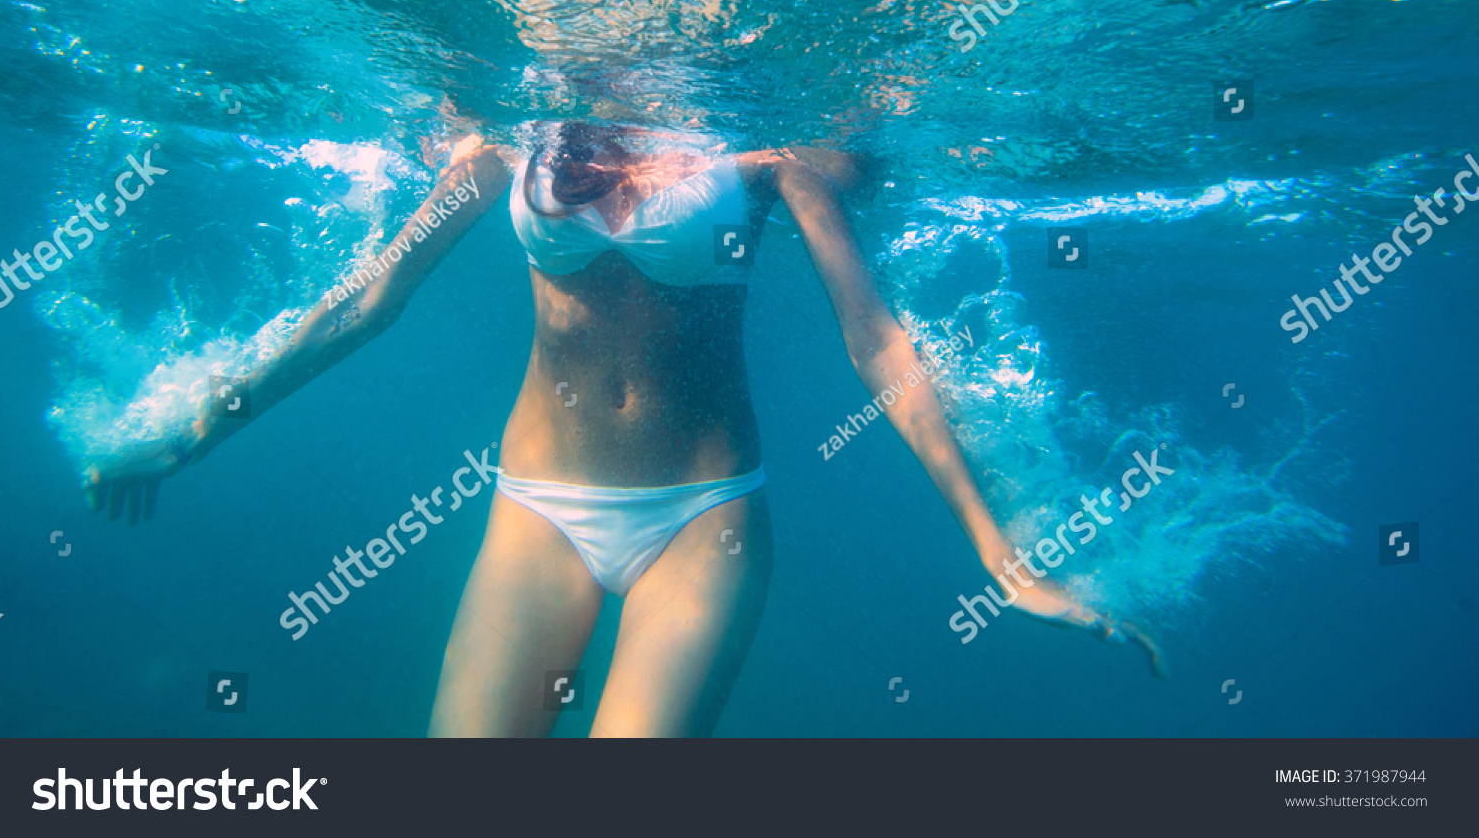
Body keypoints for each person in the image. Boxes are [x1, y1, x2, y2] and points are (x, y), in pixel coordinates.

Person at [84, 118, 1161, 737]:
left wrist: (1001, 557)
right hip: (534, 508)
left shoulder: (769, 161)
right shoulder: (500, 147)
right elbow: (364, 301)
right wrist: (186, 438)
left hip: (704, 519)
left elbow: (879, 346)